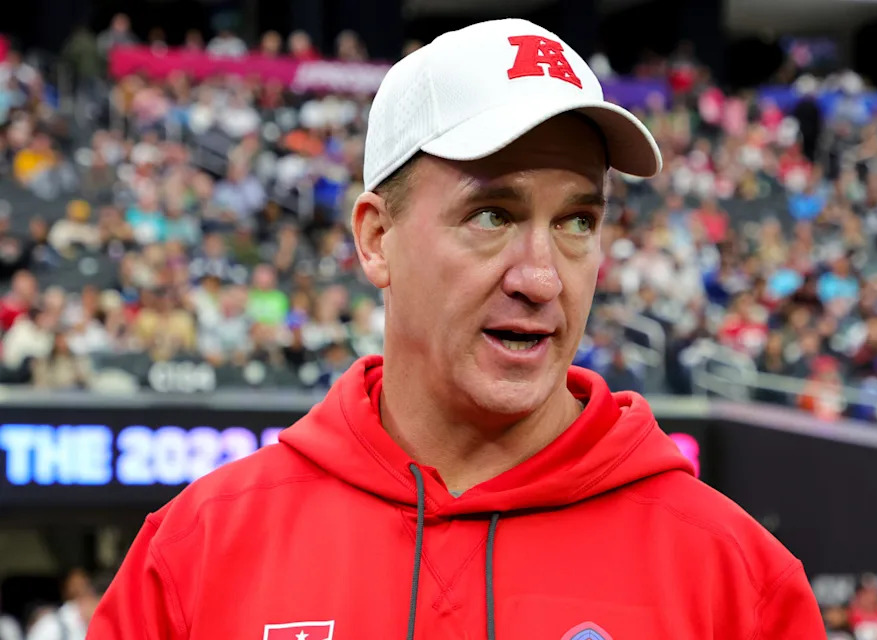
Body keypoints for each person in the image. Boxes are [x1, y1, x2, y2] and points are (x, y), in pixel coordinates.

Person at [89, 19, 824, 639]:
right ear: (377, 239)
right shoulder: (196, 554)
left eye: (576, 221)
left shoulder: (735, 579)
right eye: (492, 215)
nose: (541, 278)